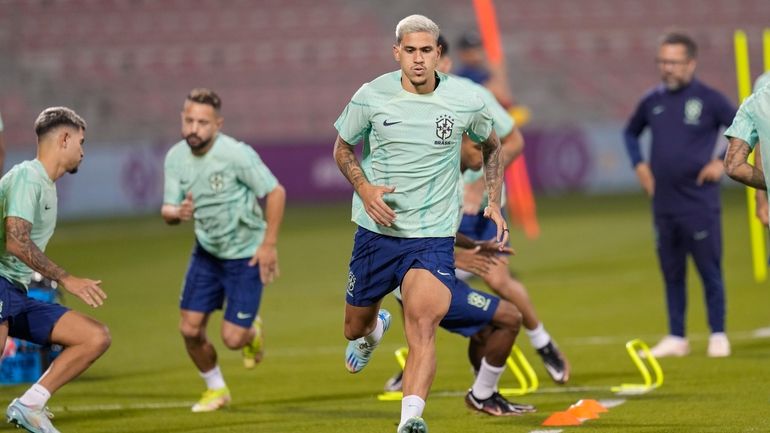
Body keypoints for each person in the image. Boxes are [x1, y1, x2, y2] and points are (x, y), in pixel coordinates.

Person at [333, 15, 507, 433]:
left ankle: (410, 420)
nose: (417, 59)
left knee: (424, 323)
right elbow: (342, 148)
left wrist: (495, 203)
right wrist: (365, 189)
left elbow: (492, 143)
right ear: (397, 53)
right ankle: (374, 331)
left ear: (438, 55)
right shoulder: (371, 95)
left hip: (431, 237)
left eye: (426, 50)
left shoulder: (464, 98)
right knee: (353, 327)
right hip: (378, 233)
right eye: (409, 50)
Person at [384, 35, 569, 393]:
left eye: (431, 57)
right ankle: (416, 362)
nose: (423, 66)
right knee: (421, 286)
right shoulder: (406, 105)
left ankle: (543, 342)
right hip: (440, 207)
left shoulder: (472, 96)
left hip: (479, 207)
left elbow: (512, 141)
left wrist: (480, 188)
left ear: (445, 62)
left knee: (498, 280)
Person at [161, 88, 286, 412]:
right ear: (182, 119)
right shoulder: (176, 158)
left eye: (203, 122)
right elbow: (168, 210)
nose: (194, 128)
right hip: (207, 251)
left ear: (218, 124)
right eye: (189, 120)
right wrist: (176, 214)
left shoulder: (236, 155)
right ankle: (216, 389)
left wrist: (269, 244)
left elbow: (275, 192)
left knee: (232, 339)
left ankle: (250, 331)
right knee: (189, 329)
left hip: (246, 255)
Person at [623, 32, 737, 358]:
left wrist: (721, 161)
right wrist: (640, 167)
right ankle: (677, 336)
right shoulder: (652, 100)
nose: (667, 68)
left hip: (699, 202)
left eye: (673, 62)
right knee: (672, 272)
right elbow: (630, 132)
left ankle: (718, 333)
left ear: (691, 63)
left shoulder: (710, 98)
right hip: (664, 203)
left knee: (709, 270)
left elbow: (741, 128)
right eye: (662, 62)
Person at [0, 107, 111, 433]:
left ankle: (31, 404)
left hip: (15, 290)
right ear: (64, 138)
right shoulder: (28, 177)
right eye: (80, 141)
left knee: (94, 337)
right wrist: (66, 278)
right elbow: (16, 243)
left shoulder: (45, 186)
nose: (82, 151)